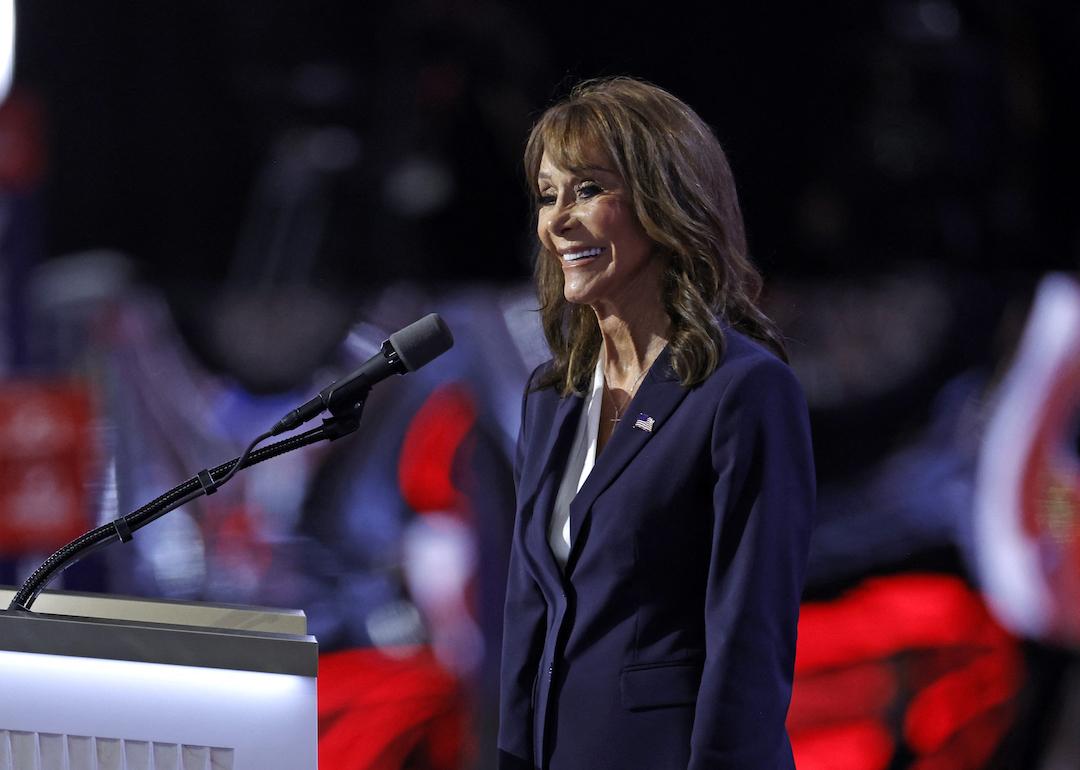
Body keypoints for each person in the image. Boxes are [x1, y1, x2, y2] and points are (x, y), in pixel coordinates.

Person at [497, 77, 815, 770]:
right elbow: (531, 613)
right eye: (548, 195)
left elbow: (749, 635)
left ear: (664, 199)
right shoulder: (551, 395)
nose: (558, 220)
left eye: (587, 190)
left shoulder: (745, 391)